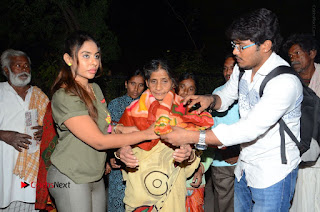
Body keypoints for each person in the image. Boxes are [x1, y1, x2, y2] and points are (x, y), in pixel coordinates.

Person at [161, 8, 302, 212]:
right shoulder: (242, 68)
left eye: (241, 46)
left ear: (266, 46)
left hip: (273, 173)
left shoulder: (284, 82)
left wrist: (190, 136)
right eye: (234, 45)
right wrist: (209, 99)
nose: (235, 51)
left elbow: (248, 129)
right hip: (245, 167)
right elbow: (226, 96)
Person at [47, 31, 158, 212]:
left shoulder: (95, 89)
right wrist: (146, 134)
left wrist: (127, 127)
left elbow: (106, 127)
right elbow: (99, 141)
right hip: (69, 176)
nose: (94, 62)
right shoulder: (65, 96)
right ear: (68, 59)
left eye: (96, 56)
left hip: (95, 175)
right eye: (86, 56)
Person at [117, 59, 213, 211]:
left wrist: (189, 153)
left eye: (164, 81)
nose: (159, 87)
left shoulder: (186, 110)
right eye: (153, 81)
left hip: (172, 194)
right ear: (147, 82)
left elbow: (197, 150)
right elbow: (118, 140)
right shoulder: (132, 110)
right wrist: (121, 151)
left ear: (172, 82)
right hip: (140, 193)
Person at [0, 49, 49, 211]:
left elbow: (53, 127)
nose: (24, 69)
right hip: (4, 171)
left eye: (26, 66)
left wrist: (45, 130)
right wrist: (4, 135)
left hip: (30, 176)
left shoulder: (39, 95)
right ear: (6, 70)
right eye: (18, 65)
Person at [283, 33, 320, 212]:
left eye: (298, 53)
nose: (294, 59)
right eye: (290, 56)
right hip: (299, 153)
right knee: (301, 201)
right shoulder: (289, 82)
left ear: (312, 53)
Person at [204, 55, 239, 212]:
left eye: (232, 67)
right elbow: (212, 127)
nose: (228, 72)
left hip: (245, 160)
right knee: (223, 205)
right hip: (221, 162)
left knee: (245, 203)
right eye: (225, 68)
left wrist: (239, 153)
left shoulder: (249, 93)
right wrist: (225, 153)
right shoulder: (217, 94)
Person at [107, 69, 145, 212]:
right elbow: (107, 132)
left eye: (140, 85)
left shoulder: (147, 106)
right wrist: (110, 156)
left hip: (140, 162)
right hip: (118, 162)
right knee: (117, 202)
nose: (136, 89)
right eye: (132, 84)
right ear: (126, 84)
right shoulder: (114, 105)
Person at [177, 72, 214, 212]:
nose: (185, 92)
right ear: (176, 88)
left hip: (193, 181)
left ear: (196, 92)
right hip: (169, 181)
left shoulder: (202, 116)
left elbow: (210, 148)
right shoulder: (166, 114)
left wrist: (200, 169)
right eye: (182, 87)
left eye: (191, 89)